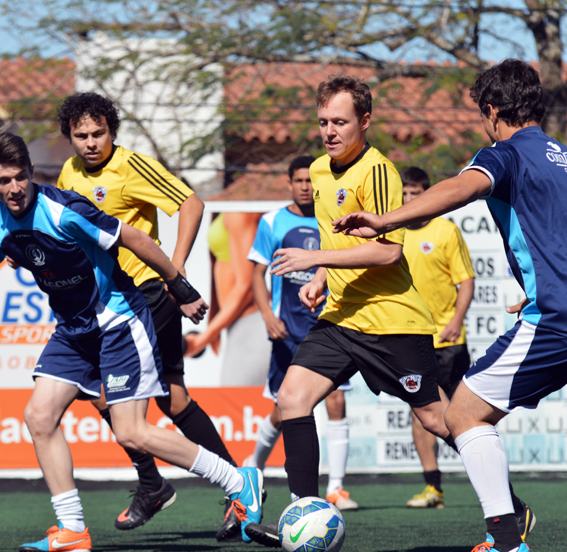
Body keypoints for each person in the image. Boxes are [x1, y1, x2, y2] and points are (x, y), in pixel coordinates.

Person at [0, 132, 264, 552]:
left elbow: (136, 239)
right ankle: (72, 531)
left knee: (133, 432)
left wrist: (178, 285)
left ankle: (238, 481)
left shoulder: (64, 210)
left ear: (31, 172)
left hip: (119, 319)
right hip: (73, 328)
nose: (13, 189)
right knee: (39, 416)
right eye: (3, 181)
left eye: (18, 178)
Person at [331, 59, 567, 552]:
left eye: (483, 114)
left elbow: (461, 187)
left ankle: (504, 539)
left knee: (464, 416)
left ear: (493, 110)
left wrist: (386, 220)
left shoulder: (508, 152)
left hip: (560, 321)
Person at [243, 74, 455, 547]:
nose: (329, 131)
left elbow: (387, 252)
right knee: (292, 400)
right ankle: (300, 516)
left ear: (365, 121)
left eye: (340, 121)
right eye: (322, 122)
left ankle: (508, 505)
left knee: (437, 420)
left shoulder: (378, 171)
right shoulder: (319, 171)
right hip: (340, 318)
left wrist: (314, 261)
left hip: (392, 322)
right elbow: (340, 240)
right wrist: (322, 279)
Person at [55, 92, 243, 540]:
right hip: (102, 305)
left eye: (98, 133)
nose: (90, 142)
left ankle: (191, 487)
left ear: (112, 131)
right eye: (80, 135)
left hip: (143, 297)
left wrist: (173, 276)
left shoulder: (132, 166)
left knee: (135, 395)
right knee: (147, 398)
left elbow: (191, 205)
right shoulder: (68, 172)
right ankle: (174, 485)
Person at [244, 155, 358, 511]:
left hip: (328, 329)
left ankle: (336, 488)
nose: (306, 187)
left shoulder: (334, 220)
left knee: (336, 401)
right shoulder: (272, 221)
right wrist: (266, 315)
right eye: (299, 181)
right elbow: (255, 274)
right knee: (284, 408)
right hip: (287, 331)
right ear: (289, 183)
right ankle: (252, 467)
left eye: (311, 181)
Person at [401, 166, 475, 509]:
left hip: (449, 341)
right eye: (404, 194)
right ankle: (433, 487)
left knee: (463, 416)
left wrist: (455, 321)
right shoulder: (393, 232)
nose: (409, 200)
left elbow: (466, 282)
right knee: (420, 411)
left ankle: (484, 473)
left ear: (427, 195)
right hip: (413, 339)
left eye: (416, 194)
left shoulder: (445, 231)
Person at [184, 210, 271, 387]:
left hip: (253, 323)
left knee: (242, 406)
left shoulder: (239, 212)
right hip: (238, 323)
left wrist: (203, 339)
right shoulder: (226, 209)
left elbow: (247, 286)